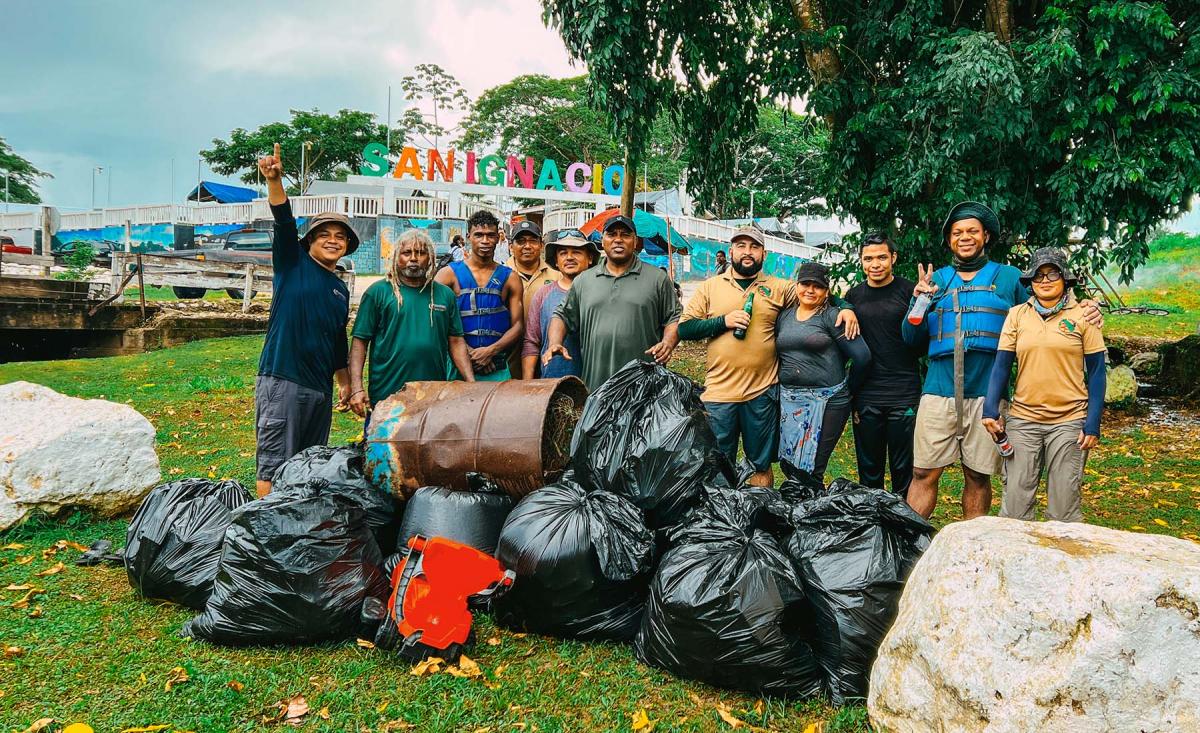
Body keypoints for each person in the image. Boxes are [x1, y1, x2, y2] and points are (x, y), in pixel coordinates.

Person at [901, 201, 1103, 519]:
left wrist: (1085, 307)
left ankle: (975, 552)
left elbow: (1049, 306)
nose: (964, 237)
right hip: (938, 393)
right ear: (949, 240)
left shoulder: (1009, 279)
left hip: (987, 396)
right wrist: (919, 300)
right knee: (924, 474)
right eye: (957, 232)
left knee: (977, 475)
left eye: (972, 231)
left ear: (986, 236)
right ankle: (906, 549)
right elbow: (910, 341)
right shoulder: (935, 280)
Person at [679, 225, 859, 487]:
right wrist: (723, 321)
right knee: (716, 466)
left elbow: (815, 293)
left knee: (760, 466)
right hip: (718, 394)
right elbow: (685, 328)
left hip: (761, 393)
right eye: (741, 246)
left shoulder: (778, 287)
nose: (747, 252)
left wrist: (848, 308)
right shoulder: (710, 287)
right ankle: (720, 524)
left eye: (754, 247)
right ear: (731, 251)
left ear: (764, 253)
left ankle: (759, 520)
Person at [253, 143, 353, 498]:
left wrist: (344, 384)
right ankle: (261, 535)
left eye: (339, 237)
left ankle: (292, 531)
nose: (332, 241)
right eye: (324, 235)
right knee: (274, 462)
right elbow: (283, 220)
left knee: (308, 466)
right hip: (284, 380)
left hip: (319, 390)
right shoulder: (292, 264)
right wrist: (275, 180)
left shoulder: (340, 290)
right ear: (309, 241)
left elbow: (338, 342)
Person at [982, 247, 1106, 522]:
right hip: (1024, 419)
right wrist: (990, 409)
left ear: (1065, 279)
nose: (1045, 280)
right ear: (1030, 282)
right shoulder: (1017, 315)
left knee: (1064, 508)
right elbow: (1002, 365)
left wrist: (1093, 422)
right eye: (1038, 275)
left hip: (1070, 421)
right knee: (1015, 506)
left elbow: (1097, 372)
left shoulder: (1084, 315)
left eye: (1052, 274)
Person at [349, 228, 475, 428]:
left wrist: (471, 383)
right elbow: (359, 342)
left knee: (427, 454)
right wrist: (356, 388)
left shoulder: (444, 295)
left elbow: (456, 341)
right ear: (396, 256)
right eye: (407, 253)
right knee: (383, 455)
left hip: (432, 395)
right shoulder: (378, 292)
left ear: (431, 258)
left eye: (421, 253)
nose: (414, 258)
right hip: (388, 395)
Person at [545, 215, 680, 390]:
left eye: (625, 235)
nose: (618, 239)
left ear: (635, 242)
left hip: (644, 388)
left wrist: (668, 342)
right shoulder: (584, 281)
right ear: (603, 240)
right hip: (596, 386)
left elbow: (674, 317)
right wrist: (555, 342)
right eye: (611, 234)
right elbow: (561, 315)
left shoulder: (657, 279)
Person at [776, 262, 872, 486]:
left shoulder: (833, 316)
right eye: (805, 284)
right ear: (797, 286)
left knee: (813, 468)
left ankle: (810, 515)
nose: (810, 290)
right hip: (790, 401)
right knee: (790, 466)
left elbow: (862, 357)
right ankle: (795, 510)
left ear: (826, 291)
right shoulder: (785, 317)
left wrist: (848, 390)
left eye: (817, 286)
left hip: (828, 401)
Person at [845, 232, 923, 497]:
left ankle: (902, 529)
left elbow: (921, 341)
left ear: (893, 258)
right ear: (861, 261)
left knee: (904, 469)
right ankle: (874, 529)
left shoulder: (909, 290)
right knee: (869, 470)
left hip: (903, 392)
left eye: (881, 257)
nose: (875, 264)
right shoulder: (853, 296)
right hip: (866, 394)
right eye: (868, 259)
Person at [434, 210, 524, 382]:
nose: (485, 241)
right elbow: (436, 321)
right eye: (479, 235)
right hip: (457, 366)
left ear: (498, 238)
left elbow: (518, 326)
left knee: (496, 409)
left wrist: (490, 351)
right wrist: (469, 354)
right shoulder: (448, 275)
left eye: (490, 235)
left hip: (496, 367)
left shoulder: (510, 278)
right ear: (468, 236)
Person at [521, 234, 599, 379]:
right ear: (556, 261)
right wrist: (528, 385)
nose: (569, 257)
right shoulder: (543, 294)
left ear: (589, 258)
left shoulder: (600, 293)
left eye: (576, 252)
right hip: (552, 380)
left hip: (592, 382)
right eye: (563, 253)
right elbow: (531, 342)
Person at [505, 220, 560, 378]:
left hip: (545, 351)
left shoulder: (557, 276)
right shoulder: (501, 275)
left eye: (532, 241)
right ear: (511, 246)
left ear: (541, 245)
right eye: (521, 241)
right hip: (509, 353)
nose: (527, 246)